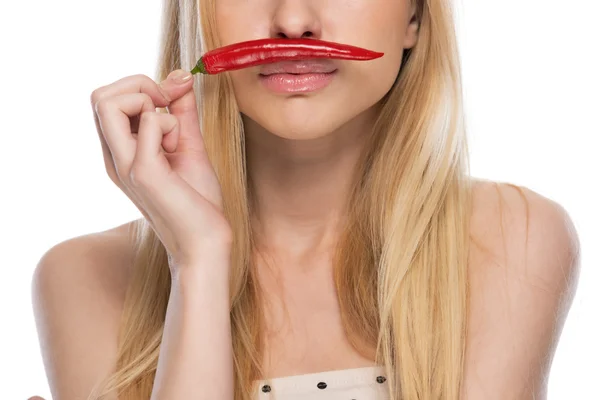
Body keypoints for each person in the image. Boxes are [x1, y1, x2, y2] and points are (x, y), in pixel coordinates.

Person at [30, 0, 581, 399]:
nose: (294, 21)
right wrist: (197, 259)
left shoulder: (512, 239)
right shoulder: (85, 277)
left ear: (415, 15)